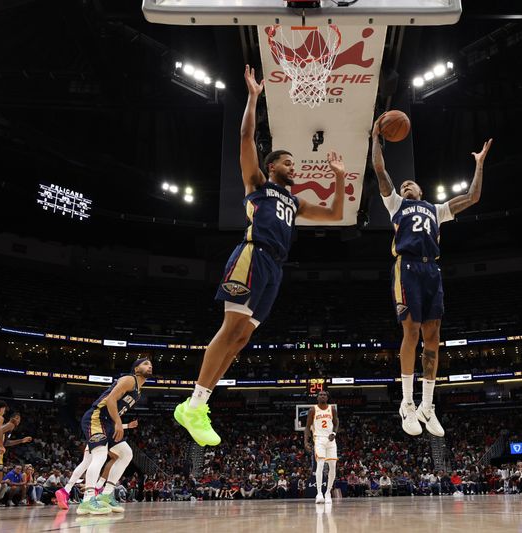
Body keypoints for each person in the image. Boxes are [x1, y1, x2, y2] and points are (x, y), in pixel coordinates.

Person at [174, 65, 347, 447]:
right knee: (228, 330)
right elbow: (245, 135)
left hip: (274, 269)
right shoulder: (257, 184)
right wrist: (253, 98)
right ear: (272, 167)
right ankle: (194, 403)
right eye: (288, 163)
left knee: (240, 340)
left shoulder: (295, 201)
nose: (294, 167)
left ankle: (198, 404)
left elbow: (335, 214)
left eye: (294, 165)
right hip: (251, 255)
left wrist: (337, 178)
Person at [371, 114, 492, 437]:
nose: (406, 184)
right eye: (404, 183)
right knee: (410, 331)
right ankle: (407, 404)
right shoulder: (395, 203)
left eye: (412, 183)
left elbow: (473, 197)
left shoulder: (436, 209)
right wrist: (375, 139)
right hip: (407, 266)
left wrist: (479, 164)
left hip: (431, 269)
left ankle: (427, 406)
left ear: (421, 190)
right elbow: (381, 171)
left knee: (434, 336)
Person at [76, 358, 152, 515]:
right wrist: (119, 422)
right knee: (100, 455)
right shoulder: (129, 379)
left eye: (151, 364)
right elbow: (111, 399)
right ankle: (87, 500)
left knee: (126, 454)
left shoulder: (138, 390)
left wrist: (118, 424)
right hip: (96, 417)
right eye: (145, 364)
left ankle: (105, 495)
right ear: (136, 369)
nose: (149, 366)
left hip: (109, 423)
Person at [56, 419, 139, 509]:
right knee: (116, 458)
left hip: (94, 436)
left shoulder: (98, 415)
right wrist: (127, 426)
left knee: (85, 463)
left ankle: (66, 490)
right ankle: (97, 488)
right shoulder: (106, 412)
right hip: (102, 437)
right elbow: (110, 425)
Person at [305, 391, 339, 504]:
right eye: (320, 394)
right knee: (320, 464)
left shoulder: (332, 409)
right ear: (317, 397)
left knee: (333, 466)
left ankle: (328, 492)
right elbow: (307, 427)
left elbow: (336, 422)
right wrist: (306, 442)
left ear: (328, 397)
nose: (322, 396)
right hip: (319, 439)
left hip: (331, 440)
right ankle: (319, 493)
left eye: (324, 394)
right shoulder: (313, 410)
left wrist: (334, 433)